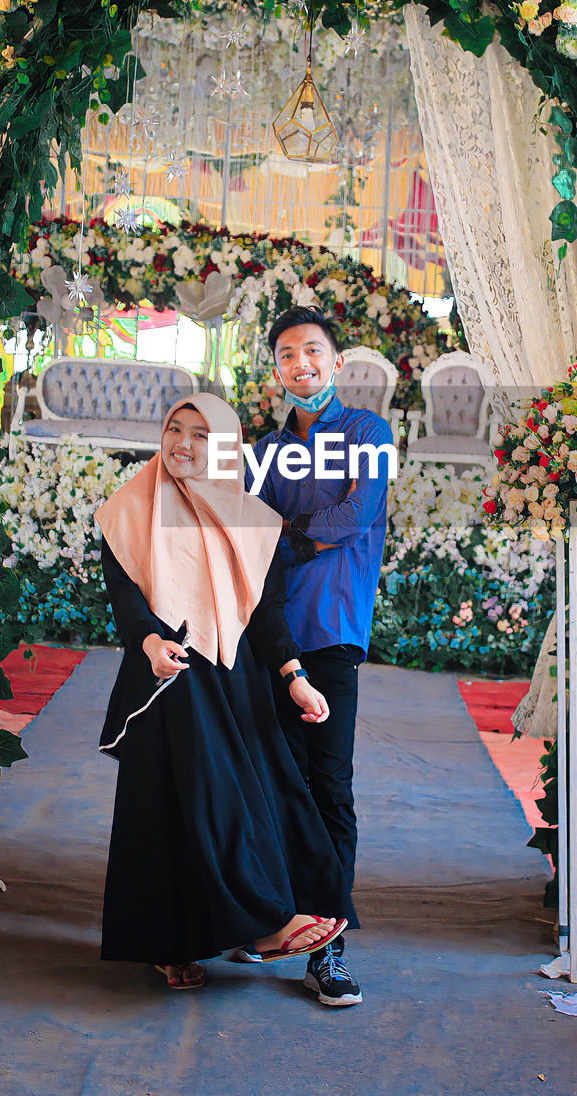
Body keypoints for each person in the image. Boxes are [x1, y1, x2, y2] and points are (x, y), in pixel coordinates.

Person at [95, 391, 355, 991]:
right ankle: (215, 935)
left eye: (199, 434)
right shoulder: (131, 506)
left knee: (263, 790)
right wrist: (150, 643)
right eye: (174, 430)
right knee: (188, 804)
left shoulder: (251, 519)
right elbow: (126, 595)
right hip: (168, 673)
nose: (183, 444)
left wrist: (293, 676)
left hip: (233, 672)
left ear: (224, 447)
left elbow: (264, 612)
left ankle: (272, 921)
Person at [245, 305, 393, 1008]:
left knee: (327, 787)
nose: (299, 365)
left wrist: (291, 536)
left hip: (330, 630)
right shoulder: (269, 450)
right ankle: (273, 921)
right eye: (285, 356)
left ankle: (329, 949)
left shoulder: (367, 431)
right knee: (271, 781)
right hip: (269, 633)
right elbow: (249, 528)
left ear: (336, 362)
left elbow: (356, 515)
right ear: (274, 371)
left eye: (311, 352)